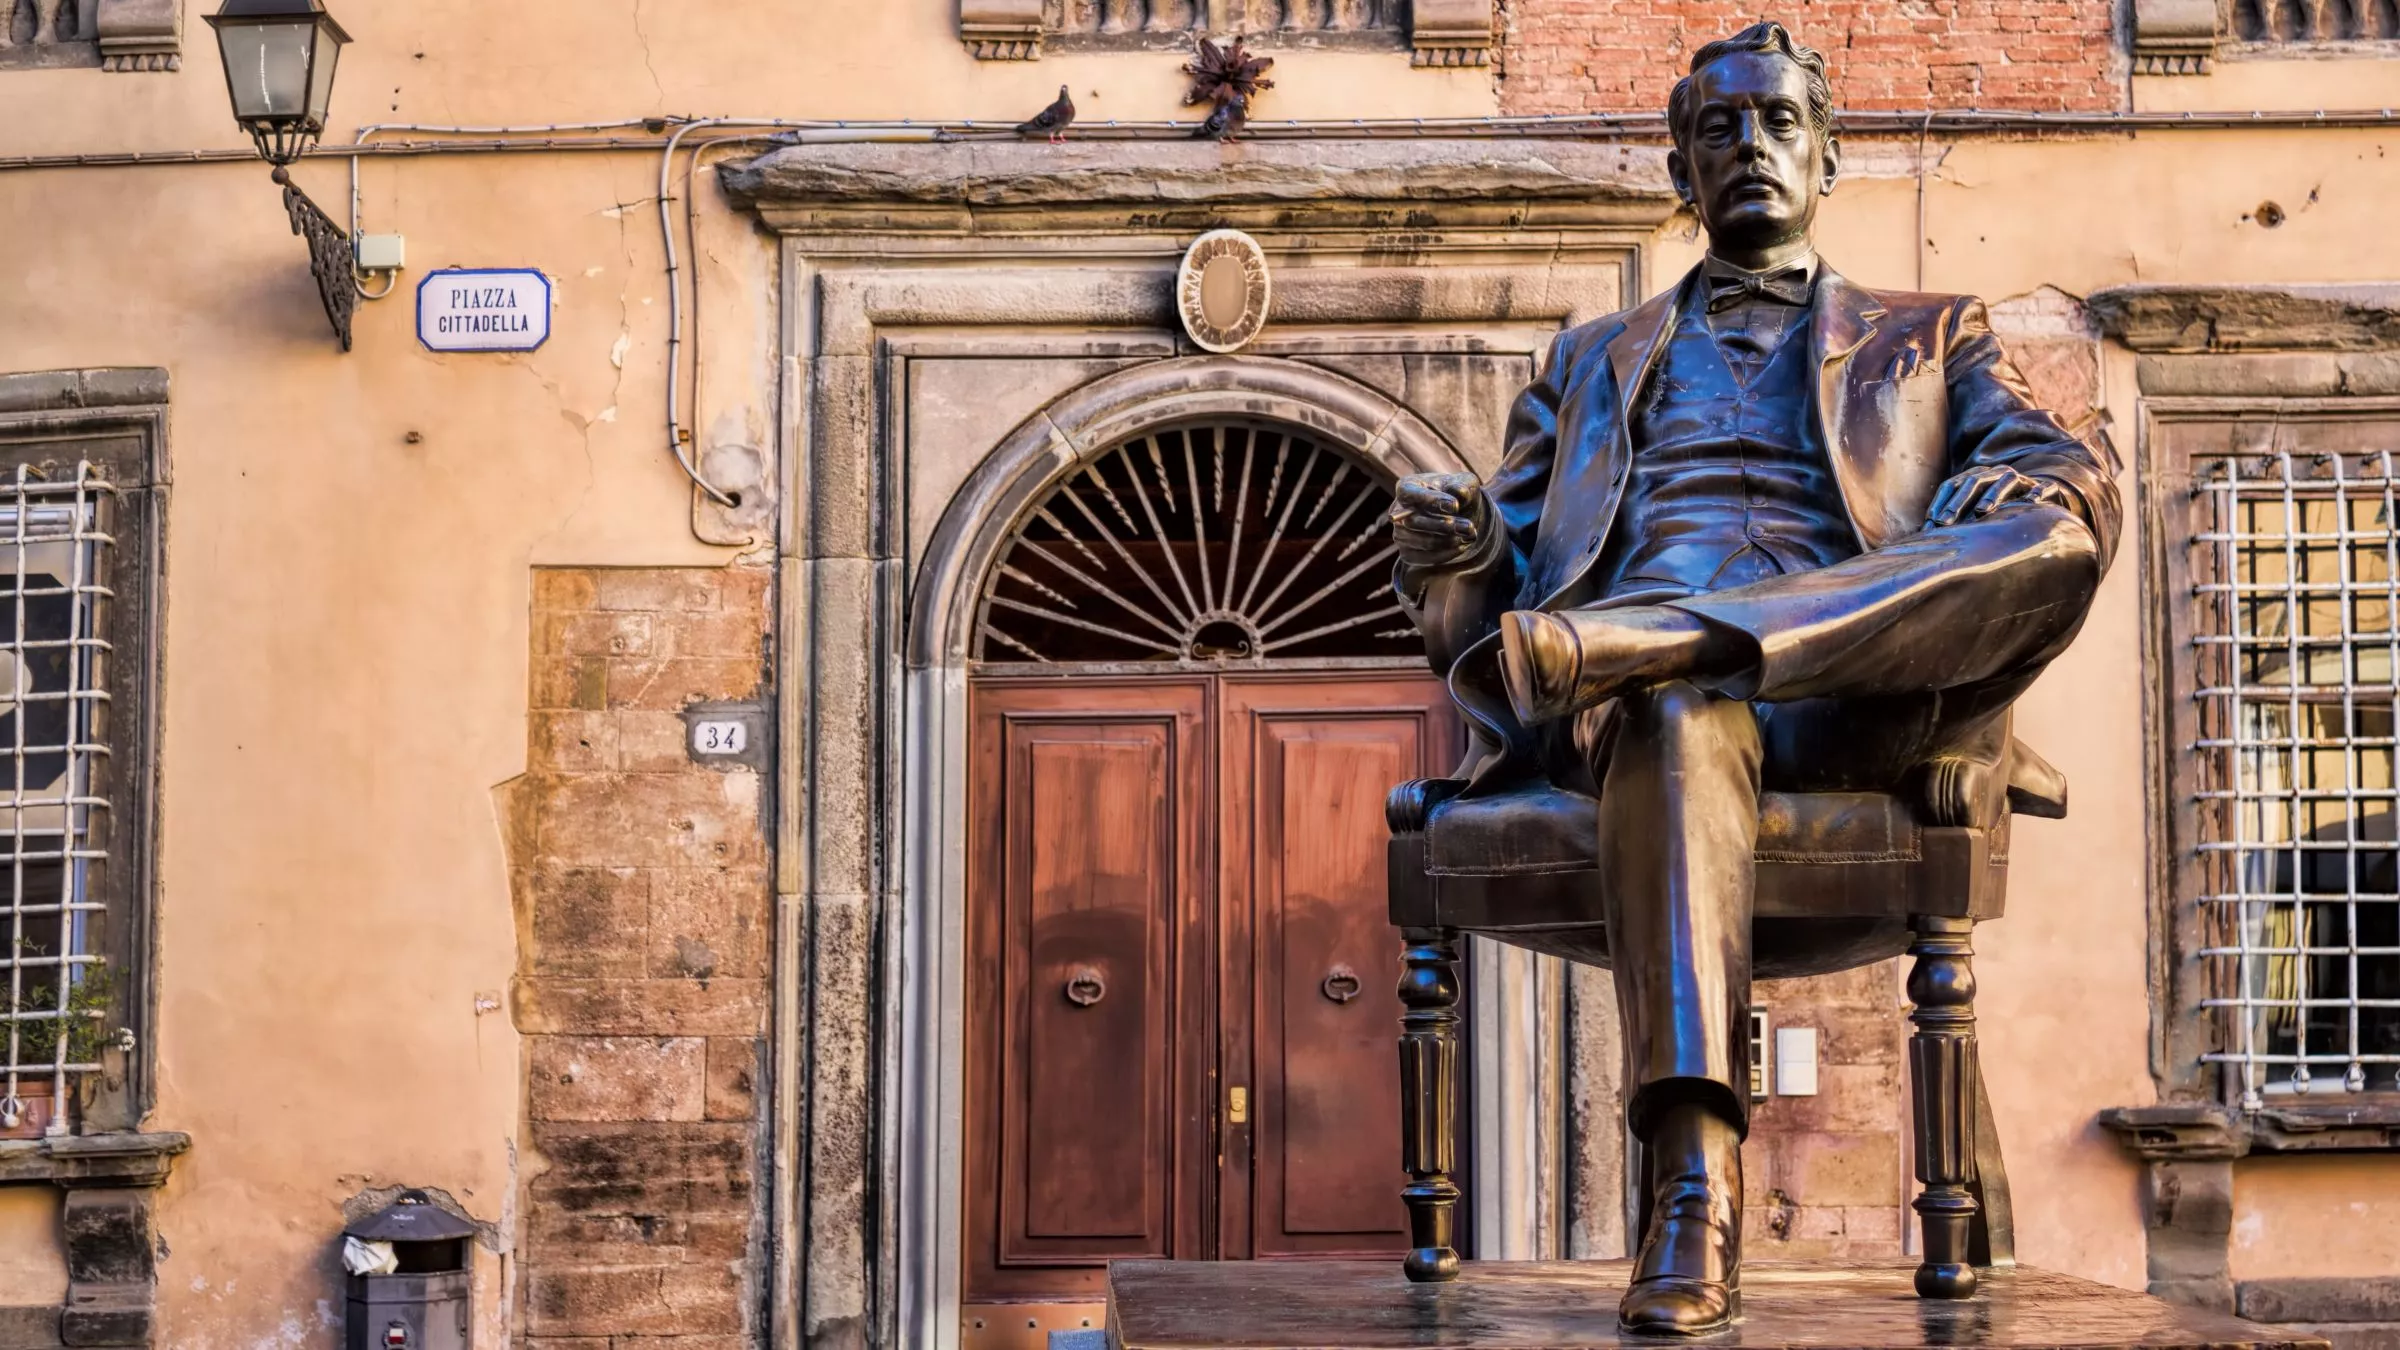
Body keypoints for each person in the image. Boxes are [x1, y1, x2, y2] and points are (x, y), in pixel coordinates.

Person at [1387, 21, 2121, 1335]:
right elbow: (1483, 627)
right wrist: (1458, 555)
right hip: (1637, 716)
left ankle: (1663, 634)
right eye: (1718, 128)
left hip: (1860, 705)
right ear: (1682, 165)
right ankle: (1694, 1187)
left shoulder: (1930, 337)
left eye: (1780, 121)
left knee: (2058, 531)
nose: (1751, 147)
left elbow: (2054, 502)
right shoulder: (1582, 363)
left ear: (1827, 152)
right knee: (1677, 706)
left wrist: (2023, 497)